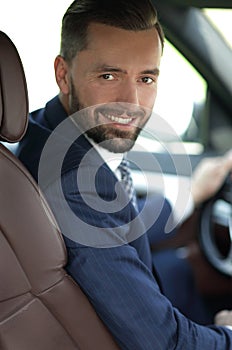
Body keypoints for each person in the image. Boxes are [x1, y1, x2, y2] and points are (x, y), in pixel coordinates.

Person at [16, 0, 232, 348]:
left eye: (146, 78)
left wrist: (189, 194)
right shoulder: (73, 184)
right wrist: (228, 334)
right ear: (63, 75)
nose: (131, 101)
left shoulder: (44, 129)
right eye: (109, 76)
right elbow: (163, 341)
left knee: (185, 271)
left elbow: (119, 216)